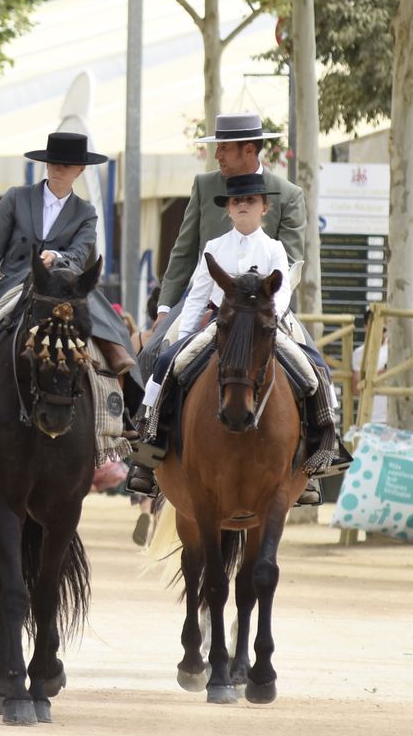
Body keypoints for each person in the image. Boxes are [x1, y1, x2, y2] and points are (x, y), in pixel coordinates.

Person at [128, 172, 344, 505]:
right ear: (228, 209)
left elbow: (283, 290)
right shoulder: (214, 247)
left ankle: (323, 448)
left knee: (315, 367)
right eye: (236, 201)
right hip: (221, 325)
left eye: (250, 201)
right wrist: (185, 337)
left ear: (264, 208)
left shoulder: (274, 249)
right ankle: (148, 444)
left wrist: (270, 318)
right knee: (165, 362)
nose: (243, 206)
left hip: (267, 325)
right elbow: (199, 294)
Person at [0, 131, 136, 386]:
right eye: (53, 163)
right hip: (16, 290)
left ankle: (123, 406)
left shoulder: (86, 212)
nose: (57, 169)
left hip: (63, 289)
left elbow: (78, 256)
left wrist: (56, 257)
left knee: (113, 326)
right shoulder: (15, 198)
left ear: (80, 170)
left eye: (65, 165)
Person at [144, 113, 305, 380]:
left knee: (315, 367)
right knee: (151, 353)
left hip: (266, 307)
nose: (217, 154)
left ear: (249, 150)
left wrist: (264, 309)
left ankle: (324, 419)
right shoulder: (204, 186)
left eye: (224, 147)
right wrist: (164, 308)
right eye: (217, 147)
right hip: (206, 300)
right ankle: (146, 419)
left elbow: (287, 266)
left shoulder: (289, 195)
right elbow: (183, 252)